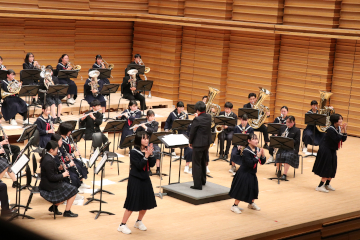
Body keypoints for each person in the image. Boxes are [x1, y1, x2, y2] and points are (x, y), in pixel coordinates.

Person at [118, 131, 157, 235]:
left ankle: (138, 221)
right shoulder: (134, 152)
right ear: (139, 140)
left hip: (145, 179)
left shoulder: (147, 149)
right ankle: (122, 225)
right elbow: (139, 166)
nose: (146, 140)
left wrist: (151, 154)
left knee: (145, 202)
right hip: (135, 179)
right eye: (144, 138)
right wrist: (146, 156)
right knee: (131, 203)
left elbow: (152, 165)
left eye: (147, 138)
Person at [39, 140, 78, 217]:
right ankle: (67, 212)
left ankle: (54, 207)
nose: (58, 151)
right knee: (74, 190)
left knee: (68, 190)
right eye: (57, 149)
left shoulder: (49, 157)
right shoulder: (48, 160)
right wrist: (63, 175)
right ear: (51, 150)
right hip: (48, 185)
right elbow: (51, 177)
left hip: (47, 182)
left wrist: (59, 169)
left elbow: (51, 171)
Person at [229, 133, 266, 214]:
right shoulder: (246, 151)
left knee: (254, 189)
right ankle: (234, 206)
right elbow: (250, 163)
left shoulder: (257, 149)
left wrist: (262, 155)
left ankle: (251, 204)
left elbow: (262, 162)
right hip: (244, 173)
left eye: (257, 139)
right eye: (254, 139)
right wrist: (257, 156)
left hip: (252, 173)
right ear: (249, 141)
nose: (256, 141)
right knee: (242, 190)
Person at [312, 114, 347, 193]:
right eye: (339, 119)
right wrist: (341, 131)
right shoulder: (330, 129)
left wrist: (344, 129)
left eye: (341, 119)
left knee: (332, 167)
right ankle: (320, 186)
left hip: (332, 150)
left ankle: (327, 184)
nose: (341, 120)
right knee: (327, 168)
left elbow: (343, 139)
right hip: (325, 150)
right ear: (335, 120)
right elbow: (336, 139)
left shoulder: (337, 128)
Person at [51, 134, 83, 201]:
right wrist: (69, 165)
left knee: (75, 172)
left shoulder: (59, 148)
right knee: (72, 176)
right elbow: (58, 167)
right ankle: (69, 195)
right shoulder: (54, 152)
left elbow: (61, 160)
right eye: (60, 141)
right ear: (56, 142)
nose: (62, 142)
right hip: (57, 173)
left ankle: (73, 192)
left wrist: (66, 159)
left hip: (61, 168)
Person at [58, 123, 89, 190]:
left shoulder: (67, 138)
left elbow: (68, 151)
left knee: (81, 164)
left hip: (70, 158)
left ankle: (81, 183)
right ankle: (77, 185)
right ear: (65, 131)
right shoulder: (60, 141)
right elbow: (62, 154)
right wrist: (74, 154)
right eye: (69, 131)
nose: (70, 132)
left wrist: (72, 149)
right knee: (76, 167)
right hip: (64, 160)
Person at [188, 101, 212, 190]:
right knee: (203, 161)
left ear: (197, 110)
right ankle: (203, 180)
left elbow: (192, 132)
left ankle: (197, 185)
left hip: (198, 144)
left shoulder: (197, 119)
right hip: (206, 143)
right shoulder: (209, 117)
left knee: (196, 164)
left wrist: (190, 142)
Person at [134, 110, 161, 176]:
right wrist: (135, 129)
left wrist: (145, 127)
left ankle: (158, 169)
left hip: (153, 141)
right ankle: (148, 169)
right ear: (147, 117)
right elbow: (138, 133)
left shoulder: (155, 123)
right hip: (145, 142)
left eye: (153, 116)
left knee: (158, 150)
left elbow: (153, 131)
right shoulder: (142, 123)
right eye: (151, 116)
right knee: (147, 151)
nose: (153, 118)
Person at [275, 116, 301, 181]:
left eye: (290, 122)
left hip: (292, 148)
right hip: (283, 147)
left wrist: (288, 141)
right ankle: (279, 171)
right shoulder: (282, 128)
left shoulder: (297, 130)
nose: (288, 123)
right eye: (287, 122)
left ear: (294, 122)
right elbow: (278, 137)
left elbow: (297, 141)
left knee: (287, 156)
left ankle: (284, 174)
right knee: (278, 155)